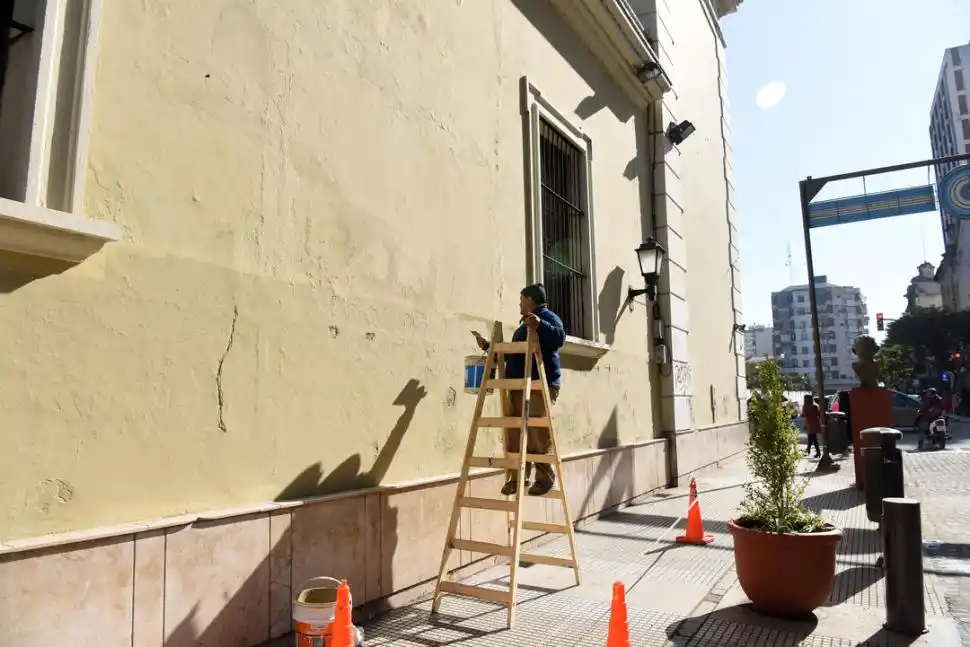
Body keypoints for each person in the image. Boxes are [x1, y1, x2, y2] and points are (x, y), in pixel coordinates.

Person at [472, 284, 566, 496]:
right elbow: (513, 357)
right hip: (517, 385)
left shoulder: (548, 317)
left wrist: (540, 325)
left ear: (531, 300)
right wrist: (489, 347)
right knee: (514, 430)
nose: (519, 304)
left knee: (535, 430)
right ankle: (517, 477)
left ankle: (545, 477)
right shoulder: (522, 327)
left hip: (538, 385)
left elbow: (558, 338)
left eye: (522, 299)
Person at [802, 394, 821, 458]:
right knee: (812, 438)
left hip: (810, 424)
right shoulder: (815, 405)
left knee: (812, 438)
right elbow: (818, 414)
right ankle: (810, 450)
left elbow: (804, 415)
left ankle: (812, 451)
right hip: (815, 423)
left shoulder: (806, 406)